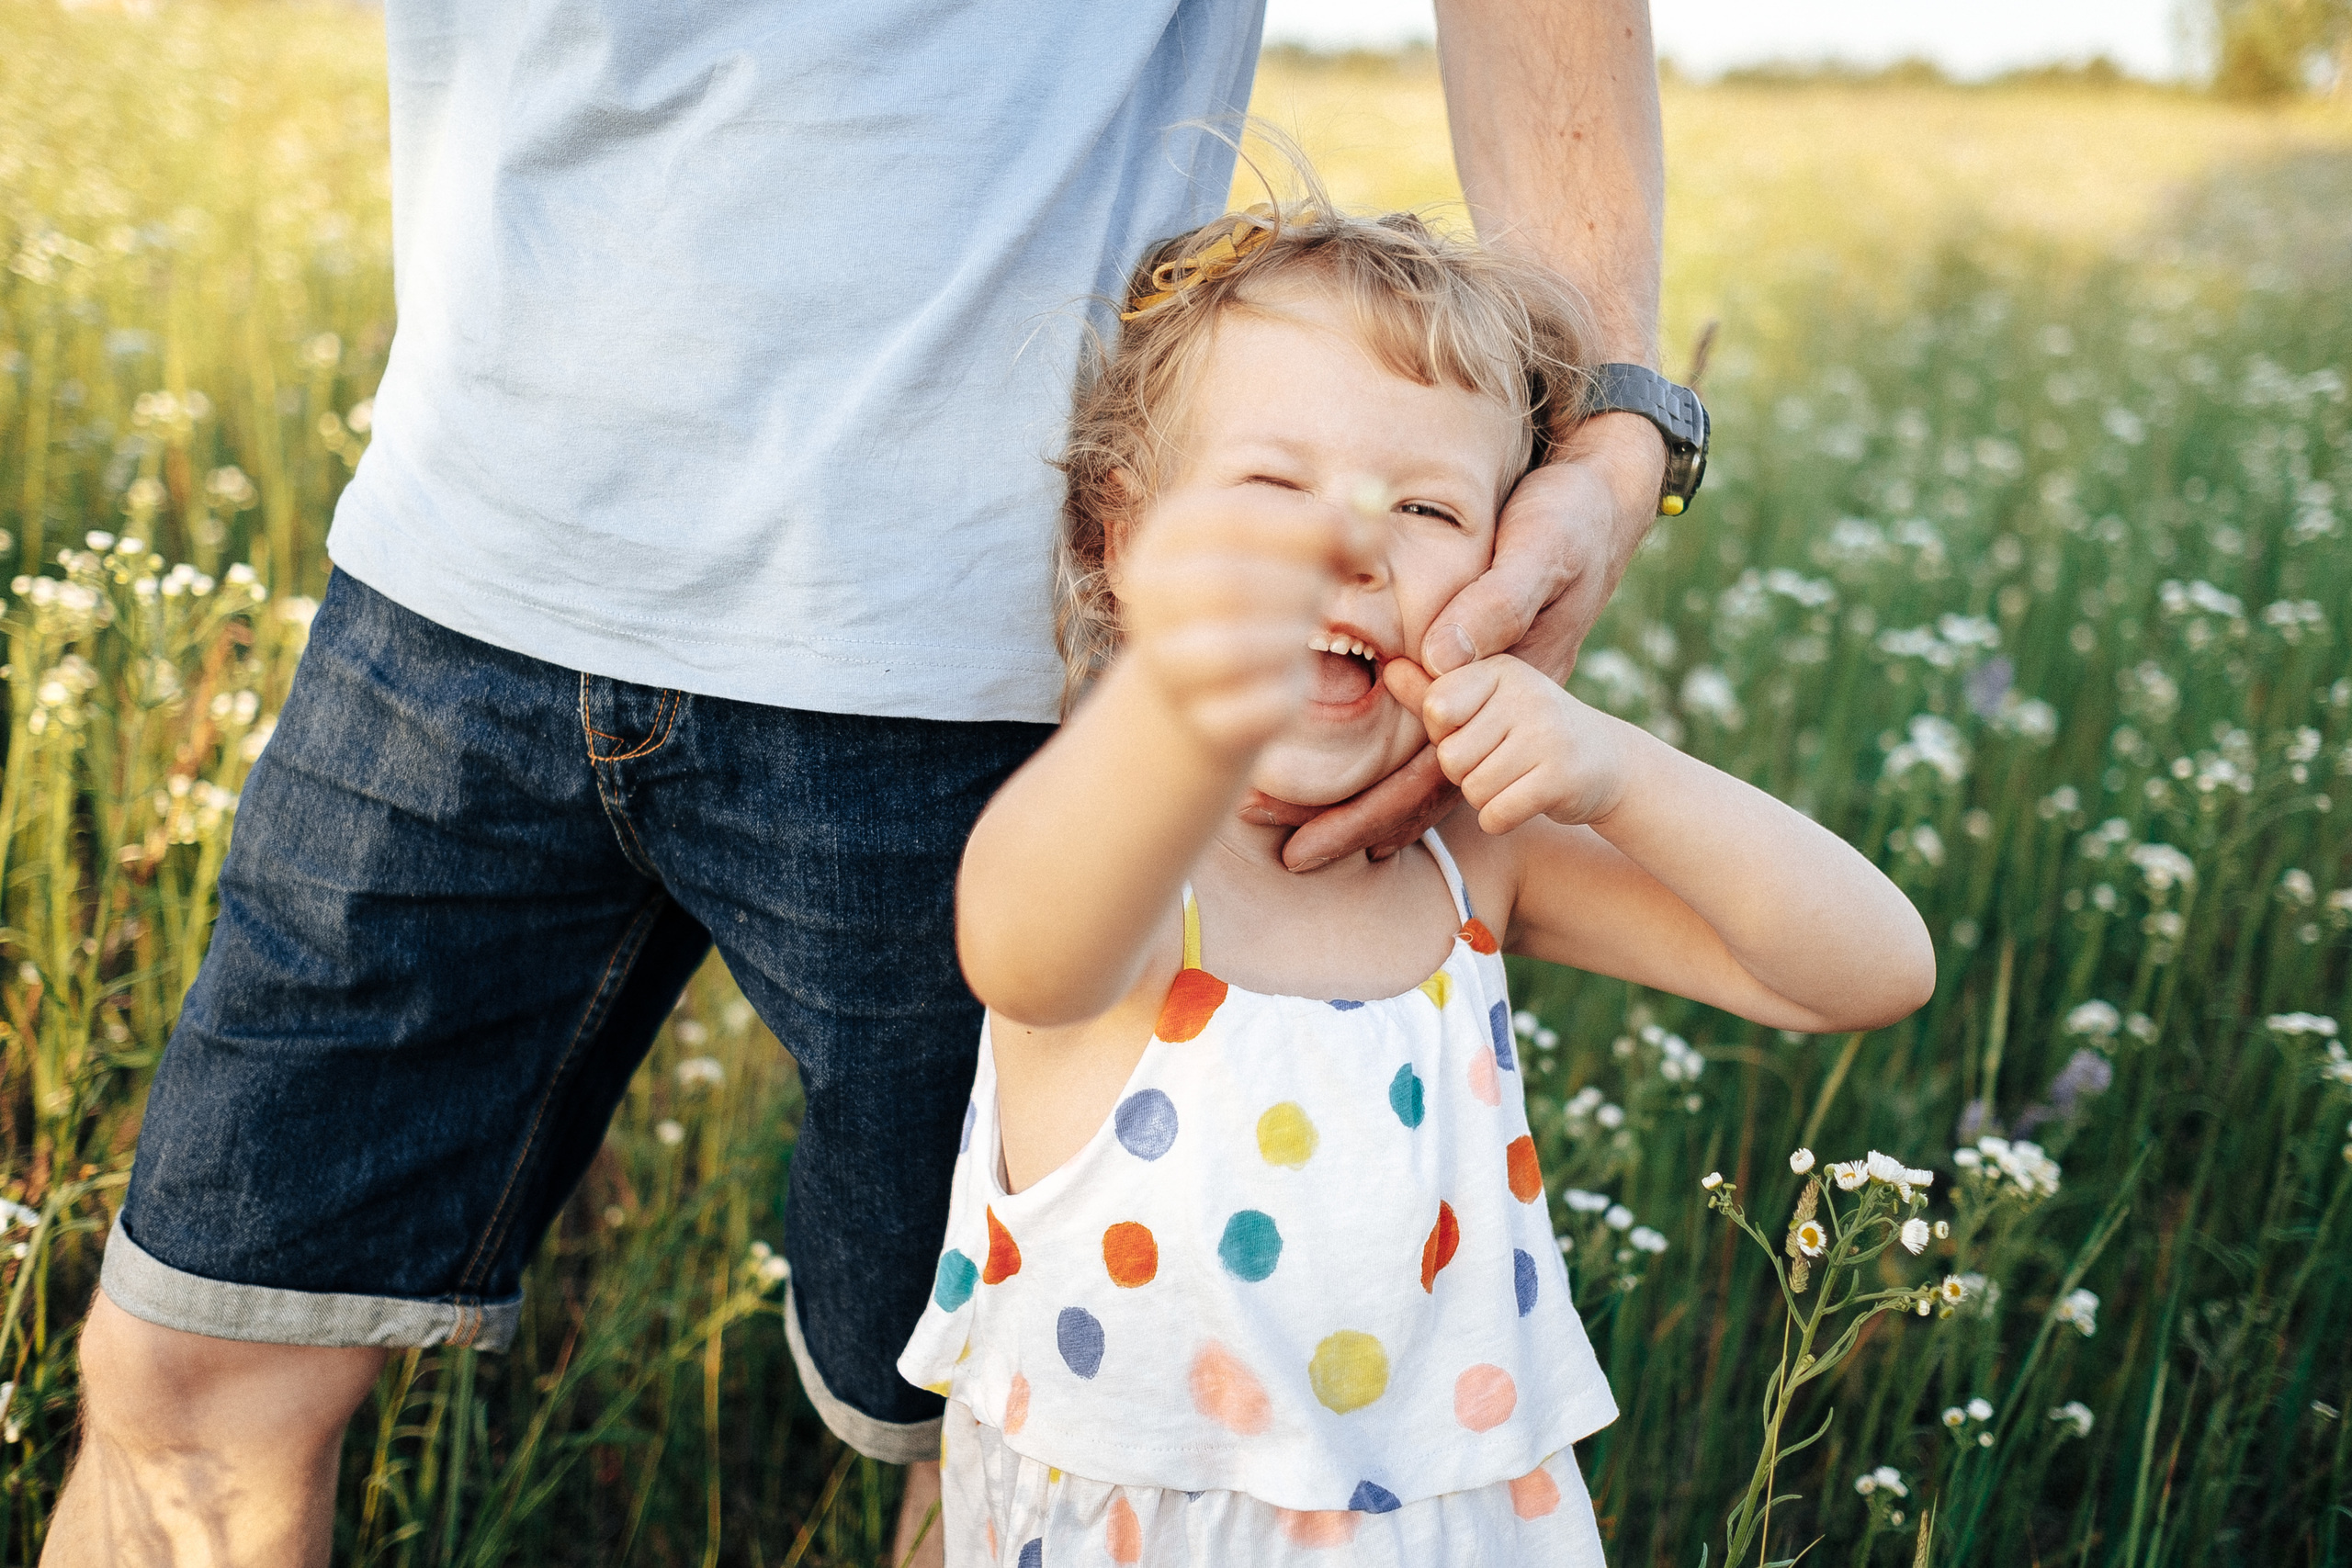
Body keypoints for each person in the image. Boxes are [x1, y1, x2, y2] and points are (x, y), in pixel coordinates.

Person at [45, 5, 1677, 1565]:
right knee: (191, 1377)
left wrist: (1613, 428)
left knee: (988, 1435)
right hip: (462, 568)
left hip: (965, 665)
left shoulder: (1227, 802)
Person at [899, 197, 1934, 1564]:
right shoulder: (1130, 851)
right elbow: (1022, 953)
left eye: (1430, 508)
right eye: (1273, 492)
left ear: (1509, 575)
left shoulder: (1471, 864)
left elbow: (1870, 969)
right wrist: (1181, 709)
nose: (1350, 543)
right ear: (1120, 538)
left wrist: (1613, 771)